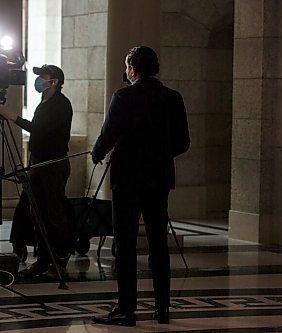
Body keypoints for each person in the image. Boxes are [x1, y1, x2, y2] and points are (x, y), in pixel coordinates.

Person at [91, 46, 190, 326]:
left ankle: (126, 308)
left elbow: (109, 133)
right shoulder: (173, 98)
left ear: (132, 69)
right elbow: (183, 142)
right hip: (159, 179)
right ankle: (162, 309)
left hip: (127, 180)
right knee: (158, 244)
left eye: (126, 67)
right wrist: (158, 155)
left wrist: (97, 153)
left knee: (125, 244)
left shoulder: (123, 96)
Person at [0, 64, 73, 277]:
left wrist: (11, 115)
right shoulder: (44, 102)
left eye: (43, 77)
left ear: (53, 82)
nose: (39, 81)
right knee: (37, 214)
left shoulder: (60, 104)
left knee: (51, 214)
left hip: (53, 166)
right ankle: (42, 258)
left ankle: (57, 259)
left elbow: (39, 130)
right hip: (39, 164)